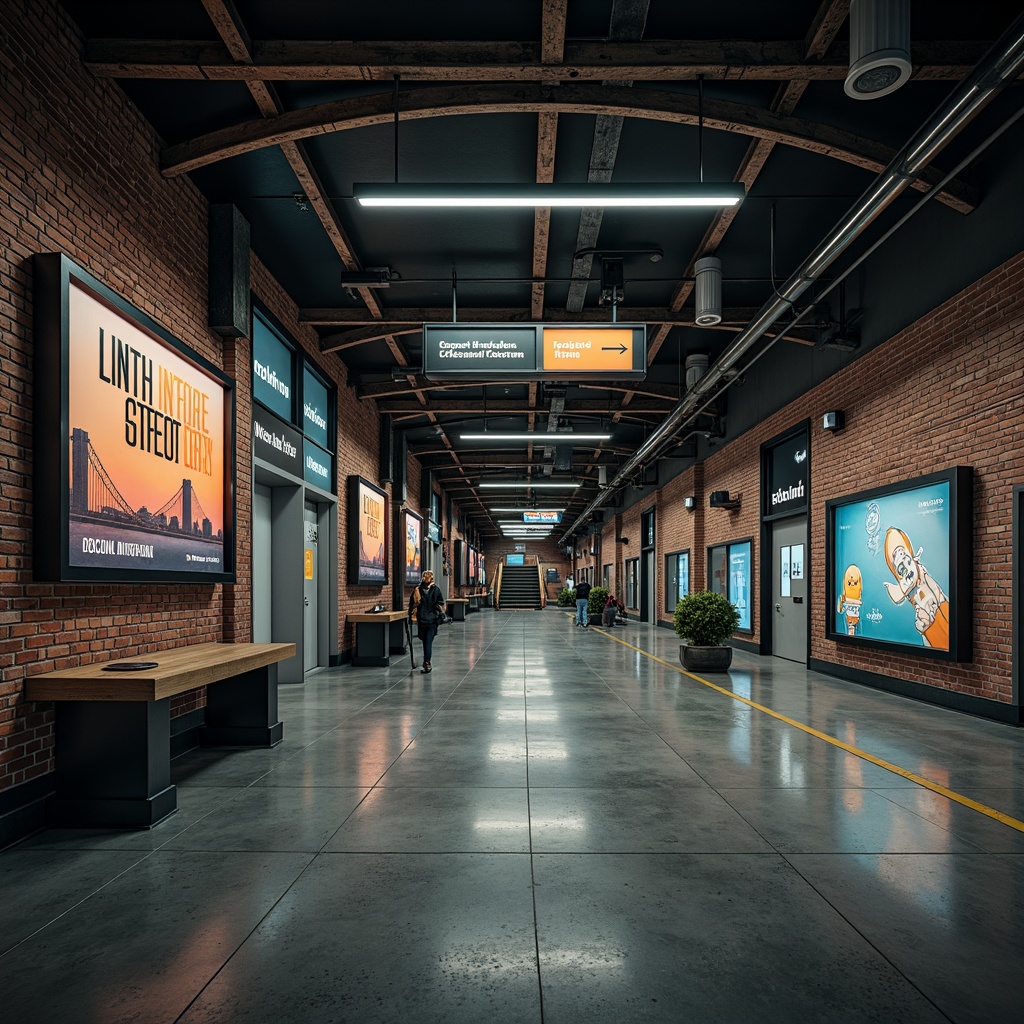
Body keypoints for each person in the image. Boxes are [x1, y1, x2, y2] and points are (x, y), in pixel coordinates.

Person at [408, 570, 446, 673]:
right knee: (428, 641)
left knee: (425, 640)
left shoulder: (417, 590)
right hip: (432, 621)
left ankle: (426, 661)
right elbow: (441, 604)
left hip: (422, 620)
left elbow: (411, 605)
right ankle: (427, 662)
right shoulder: (436, 590)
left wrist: (410, 617)